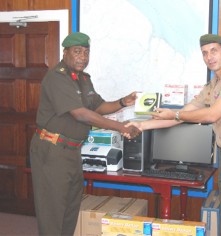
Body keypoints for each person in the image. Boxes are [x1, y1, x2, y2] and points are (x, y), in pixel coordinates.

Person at [126, 34, 221, 236]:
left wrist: (175, 113)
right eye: (205, 53)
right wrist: (141, 125)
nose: (209, 56)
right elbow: (181, 116)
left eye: (214, 51)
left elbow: (211, 115)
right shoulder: (212, 86)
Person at [30, 32, 140, 236]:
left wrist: (123, 102)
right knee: (52, 211)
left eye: (86, 52)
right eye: (77, 51)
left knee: (70, 208)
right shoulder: (57, 77)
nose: (83, 57)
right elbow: (81, 114)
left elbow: (98, 106)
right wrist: (122, 127)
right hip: (52, 150)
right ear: (65, 52)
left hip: (71, 151)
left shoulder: (83, 79)